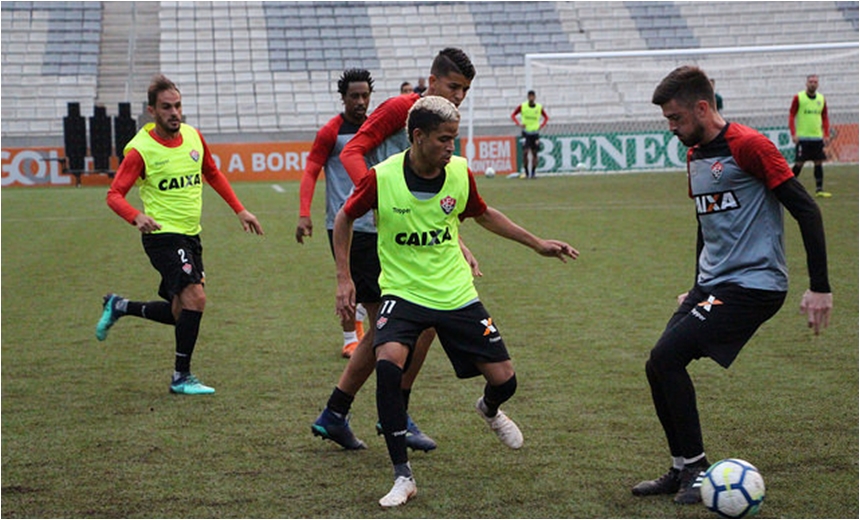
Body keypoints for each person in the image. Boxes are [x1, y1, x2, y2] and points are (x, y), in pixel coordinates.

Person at [333, 96, 579, 507]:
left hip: (456, 293)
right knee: (388, 362)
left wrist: (537, 244)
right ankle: (402, 476)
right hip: (404, 292)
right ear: (418, 137)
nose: (452, 147)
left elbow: (483, 214)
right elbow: (344, 217)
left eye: (454, 139)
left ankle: (488, 408)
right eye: (444, 140)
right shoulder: (383, 177)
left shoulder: (460, 173)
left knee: (506, 379)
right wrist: (344, 278)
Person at [635, 65, 832, 505]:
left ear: (702, 107)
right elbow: (708, 224)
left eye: (676, 119)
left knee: (668, 357)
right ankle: (682, 467)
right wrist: (697, 283)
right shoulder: (694, 155)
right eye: (667, 120)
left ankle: (699, 471)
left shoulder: (751, 146)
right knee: (657, 364)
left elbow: (806, 210)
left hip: (755, 284)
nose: (671, 128)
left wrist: (819, 286)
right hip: (713, 283)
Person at [311, 47, 477, 453]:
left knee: (401, 326)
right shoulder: (402, 108)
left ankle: (340, 412)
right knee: (403, 325)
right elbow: (352, 151)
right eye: (453, 86)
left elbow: (430, 196)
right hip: (372, 232)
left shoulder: (439, 126)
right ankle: (391, 414)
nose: (458, 96)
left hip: (395, 232)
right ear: (432, 81)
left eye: (465, 90)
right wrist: (376, 197)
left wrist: (456, 239)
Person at [95, 74, 264, 395]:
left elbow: (212, 173)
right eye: (166, 107)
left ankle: (119, 306)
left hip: (190, 236)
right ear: (152, 111)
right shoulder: (141, 150)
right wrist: (137, 216)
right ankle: (180, 377)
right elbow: (114, 194)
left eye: (178, 106)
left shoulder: (193, 137)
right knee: (196, 300)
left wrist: (240, 209)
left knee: (180, 312)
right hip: (162, 236)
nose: (174, 112)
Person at [295, 68, 375, 359]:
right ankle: (350, 338)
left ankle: (362, 330)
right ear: (343, 98)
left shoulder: (375, 127)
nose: (360, 101)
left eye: (365, 95)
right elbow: (311, 171)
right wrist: (304, 213)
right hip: (344, 222)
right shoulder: (330, 131)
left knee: (376, 282)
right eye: (354, 96)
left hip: (378, 220)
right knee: (350, 279)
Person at [789, 74, 831, 197]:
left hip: (817, 137)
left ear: (818, 84)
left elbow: (824, 117)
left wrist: (826, 134)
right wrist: (793, 133)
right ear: (806, 84)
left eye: (815, 82)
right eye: (811, 82)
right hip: (803, 137)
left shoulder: (821, 99)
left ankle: (819, 190)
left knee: (818, 162)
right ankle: (788, 187)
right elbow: (792, 115)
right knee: (799, 163)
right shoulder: (799, 97)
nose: (813, 84)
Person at [510, 90, 549, 179]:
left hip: (535, 133)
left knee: (534, 153)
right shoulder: (523, 106)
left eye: (532, 96)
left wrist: (542, 125)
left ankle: (533, 173)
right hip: (526, 133)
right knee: (525, 152)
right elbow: (513, 115)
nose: (531, 98)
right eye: (530, 96)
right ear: (528, 97)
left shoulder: (539, 107)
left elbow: (546, 117)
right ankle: (527, 173)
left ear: (534, 97)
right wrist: (518, 124)